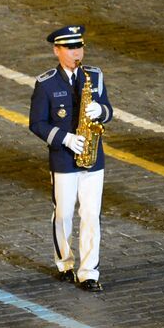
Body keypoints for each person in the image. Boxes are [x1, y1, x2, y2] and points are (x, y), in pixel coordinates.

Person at [29, 26, 113, 291]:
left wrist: (100, 110)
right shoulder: (47, 83)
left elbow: (109, 110)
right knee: (64, 214)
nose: (77, 53)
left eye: (79, 47)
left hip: (93, 155)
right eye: (70, 48)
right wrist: (65, 139)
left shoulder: (95, 76)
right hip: (64, 158)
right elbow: (36, 123)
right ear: (57, 50)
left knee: (91, 214)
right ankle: (64, 262)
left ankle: (89, 272)